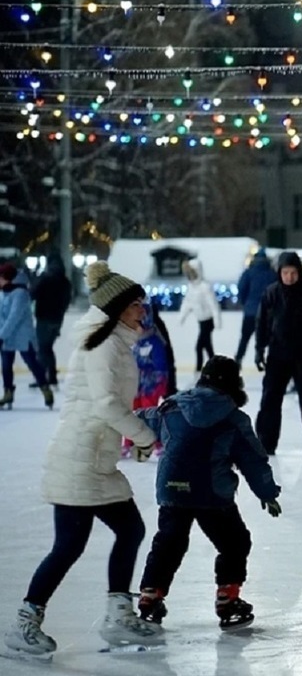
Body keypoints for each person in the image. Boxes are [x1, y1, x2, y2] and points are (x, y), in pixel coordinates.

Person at [3, 262, 163, 657]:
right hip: (80, 458)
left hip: (95, 460)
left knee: (128, 530)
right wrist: (145, 435)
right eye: (136, 304)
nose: (143, 310)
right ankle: (23, 625)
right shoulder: (102, 345)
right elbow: (108, 404)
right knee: (70, 546)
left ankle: (117, 616)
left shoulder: (112, 341)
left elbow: (110, 404)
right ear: (118, 309)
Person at [134, 356, 282, 630]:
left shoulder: (172, 407)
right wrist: (267, 491)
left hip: (172, 489)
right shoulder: (234, 418)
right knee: (235, 542)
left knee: (169, 543)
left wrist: (120, 430)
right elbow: (252, 458)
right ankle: (227, 599)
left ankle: (150, 595)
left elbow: (141, 419)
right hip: (212, 495)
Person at [254, 252, 302, 455]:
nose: (289, 277)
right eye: (285, 272)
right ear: (279, 273)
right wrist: (259, 349)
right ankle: (266, 443)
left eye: (293, 272)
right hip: (278, 355)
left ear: (299, 272)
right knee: (270, 399)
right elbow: (262, 323)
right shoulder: (271, 293)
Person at [123, 302, 177, 458]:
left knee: (150, 415)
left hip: (150, 386)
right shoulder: (132, 342)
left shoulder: (155, 341)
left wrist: (161, 383)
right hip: (134, 386)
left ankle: (158, 443)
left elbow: (161, 365)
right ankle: (128, 443)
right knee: (131, 414)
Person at [0, 263, 53, 409]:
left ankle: (45, 388)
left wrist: (2, 335)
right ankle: (8, 393)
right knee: (6, 366)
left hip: (23, 337)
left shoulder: (21, 294)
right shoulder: (2, 293)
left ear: (7, 278)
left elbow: (14, 317)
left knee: (33, 364)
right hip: (7, 337)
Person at [31, 252, 72, 387]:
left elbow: (33, 293)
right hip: (57, 319)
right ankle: (52, 376)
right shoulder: (65, 281)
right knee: (47, 348)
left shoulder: (45, 278)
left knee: (43, 348)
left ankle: (43, 378)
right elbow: (67, 300)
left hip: (44, 317)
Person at [179, 259, 221, 374]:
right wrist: (182, 316)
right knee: (207, 347)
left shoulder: (204, 287)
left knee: (199, 347)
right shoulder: (191, 287)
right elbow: (187, 302)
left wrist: (217, 320)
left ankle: (198, 370)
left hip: (208, 321)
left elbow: (213, 304)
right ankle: (215, 368)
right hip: (201, 321)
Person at [235, 249, 276, 364]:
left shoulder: (248, 272)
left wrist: (245, 303)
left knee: (244, 339)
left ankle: (238, 360)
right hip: (267, 313)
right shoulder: (271, 274)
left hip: (250, 312)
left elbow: (241, 289)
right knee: (271, 340)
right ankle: (269, 361)